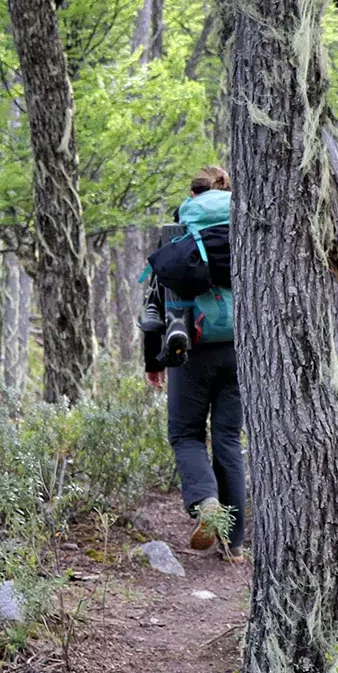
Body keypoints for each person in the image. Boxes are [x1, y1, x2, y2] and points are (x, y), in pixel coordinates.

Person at [142, 168, 245, 556]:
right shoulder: (244, 227)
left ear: (193, 193)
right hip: (240, 348)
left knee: (186, 435)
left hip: (188, 346)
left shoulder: (180, 229)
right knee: (228, 440)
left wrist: (153, 360)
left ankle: (206, 502)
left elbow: (156, 297)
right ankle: (234, 545)